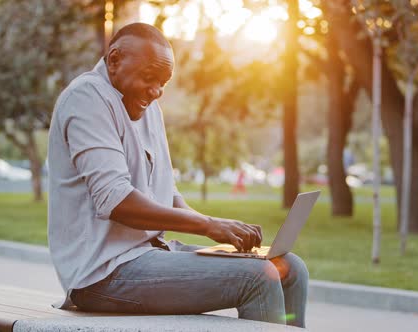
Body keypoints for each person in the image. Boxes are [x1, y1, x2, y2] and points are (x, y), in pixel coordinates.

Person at [47, 23, 308, 327]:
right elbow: (115, 201)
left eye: (163, 83)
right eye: (149, 78)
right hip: (102, 274)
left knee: (288, 267)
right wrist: (207, 225)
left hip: (150, 256)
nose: (156, 92)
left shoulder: (148, 108)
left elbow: (166, 193)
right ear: (115, 60)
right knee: (257, 278)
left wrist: (223, 230)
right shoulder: (87, 98)